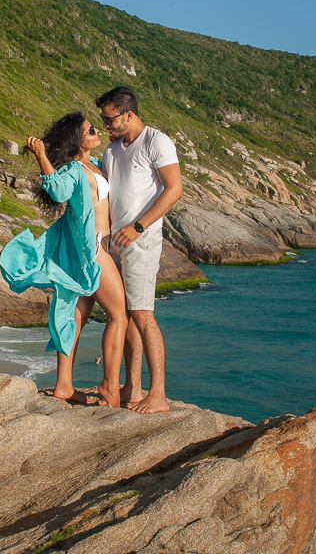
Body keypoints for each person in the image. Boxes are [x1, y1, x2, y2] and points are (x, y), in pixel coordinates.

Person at [0, 112, 128, 408]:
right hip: (93, 251)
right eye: (89, 129)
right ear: (77, 140)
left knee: (74, 317)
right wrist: (42, 156)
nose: (96, 131)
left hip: (96, 248)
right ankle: (110, 387)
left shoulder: (92, 163)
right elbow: (56, 190)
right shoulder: (73, 169)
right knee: (119, 316)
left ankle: (64, 386)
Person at [96, 87, 183, 413]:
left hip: (141, 239)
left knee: (144, 314)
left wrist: (138, 227)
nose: (106, 125)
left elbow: (175, 189)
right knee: (125, 315)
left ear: (128, 114)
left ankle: (158, 394)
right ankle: (132, 387)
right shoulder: (112, 150)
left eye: (109, 119)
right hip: (115, 242)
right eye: (103, 120)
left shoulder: (156, 141)